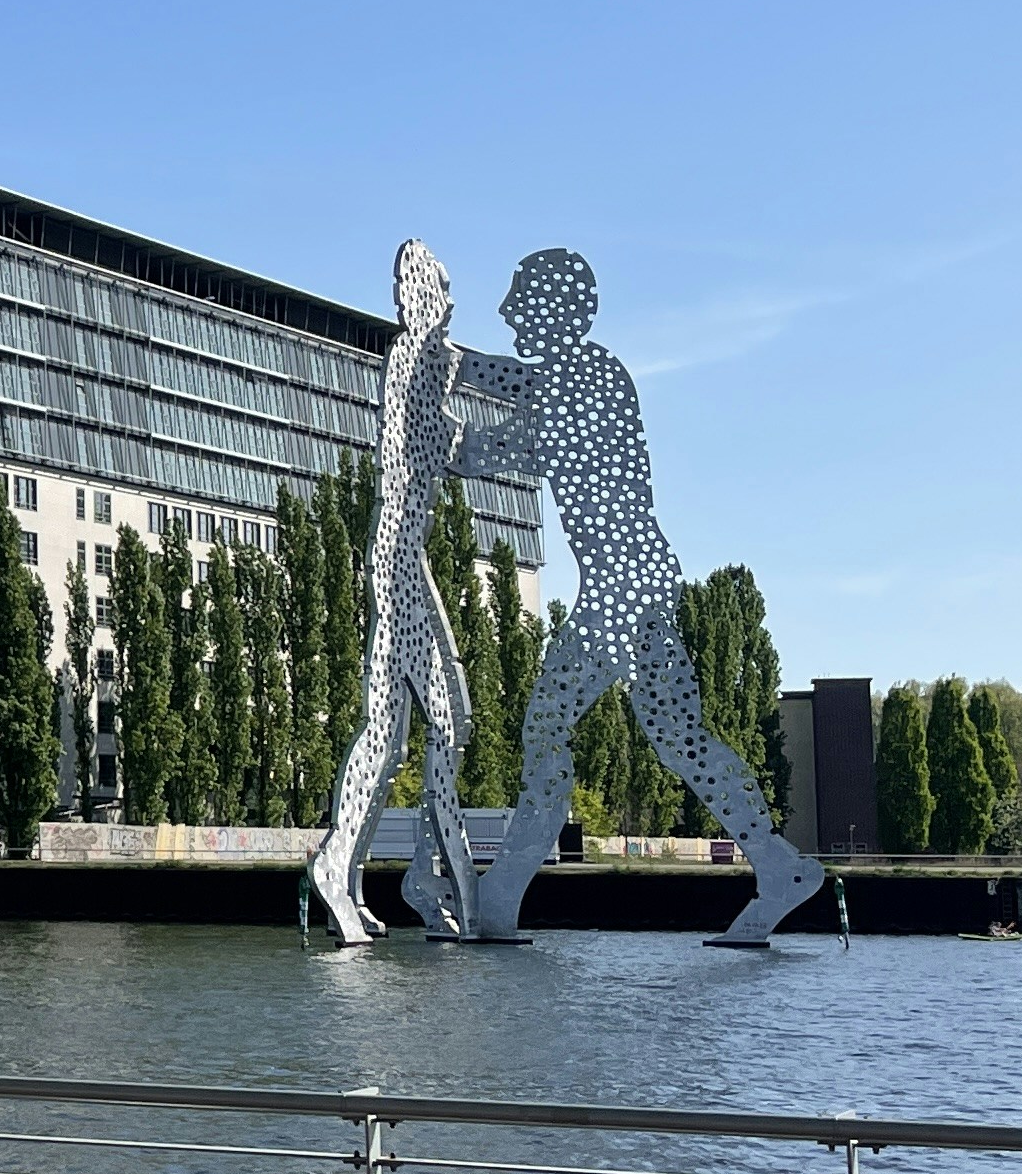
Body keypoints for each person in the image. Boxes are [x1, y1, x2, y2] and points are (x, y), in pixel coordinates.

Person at [454, 248, 827, 947]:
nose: (506, 312)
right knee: (681, 739)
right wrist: (462, 366)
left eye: (519, 299)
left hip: (623, 587)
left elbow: (523, 443)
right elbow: (520, 388)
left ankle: (500, 898)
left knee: (545, 730)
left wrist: (457, 427)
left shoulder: (586, 378)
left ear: (560, 311)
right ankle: (779, 866)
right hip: (645, 579)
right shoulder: (582, 376)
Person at [312, 240, 480, 941]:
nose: (446, 301)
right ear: (425, 296)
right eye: (439, 288)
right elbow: (447, 445)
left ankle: (347, 873)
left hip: (400, 557)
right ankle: (442, 886)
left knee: (394, 734)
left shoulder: (413, 360)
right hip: (402, 562)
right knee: (445, 724)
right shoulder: (426, 357)